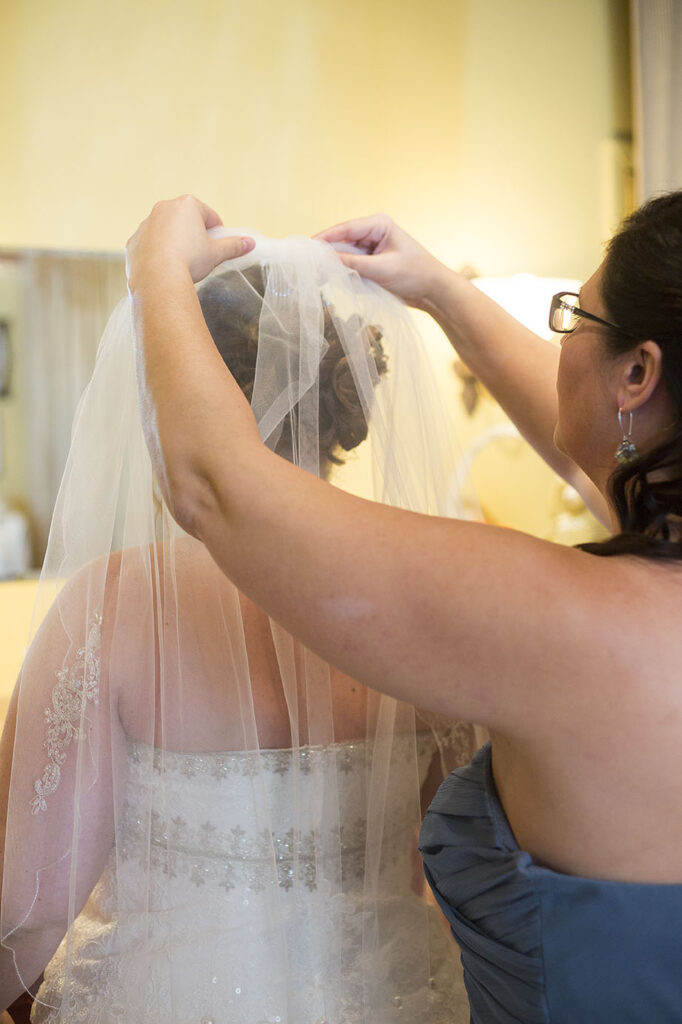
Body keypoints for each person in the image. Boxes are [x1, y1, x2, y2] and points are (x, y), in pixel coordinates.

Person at [117, 191, 682, 1022]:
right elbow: (605, 444)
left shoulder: (572, 621)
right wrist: (442, 292)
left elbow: (214, 489)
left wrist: (153, 270)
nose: (560, 343)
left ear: (638, 371)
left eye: (572, 319)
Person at [0, 235, 474, 1022]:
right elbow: (463, 859)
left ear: (179, 410)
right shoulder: (432, 599)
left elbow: (31, 910)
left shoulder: (113, 608)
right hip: (399, 998)